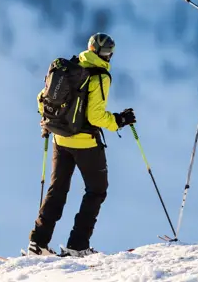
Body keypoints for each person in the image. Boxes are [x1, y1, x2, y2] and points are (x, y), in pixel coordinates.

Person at [27, 32, 136, 257]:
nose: (109, 56)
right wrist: (118, 121)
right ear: (104, 54)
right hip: (85, 143)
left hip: (59, 138)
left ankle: (37, 243)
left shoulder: (68, 66)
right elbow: (95, 116)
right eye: (108, 52)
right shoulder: (100, 75)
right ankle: (77, 245)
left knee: (57, 190)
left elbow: (42, 99)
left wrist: (50, 122)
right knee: (96, 191)